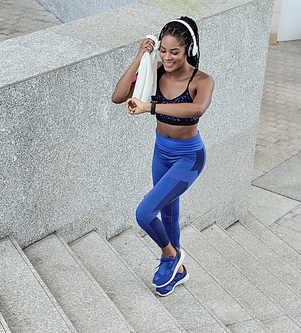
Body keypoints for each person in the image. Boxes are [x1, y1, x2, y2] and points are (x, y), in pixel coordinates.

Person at [111, 17, 214, 296]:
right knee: (169, 214)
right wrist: (139, 58)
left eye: (175, 52)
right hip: (162, 152)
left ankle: (169, 256)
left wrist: (150, 107)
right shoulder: (155, 71)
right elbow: (118, 96)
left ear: (188, 50)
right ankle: (177, 272)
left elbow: (196, 110)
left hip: (188, 157)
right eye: (163, 50)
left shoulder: (202, 81)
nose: (167, 57)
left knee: (144, 213)